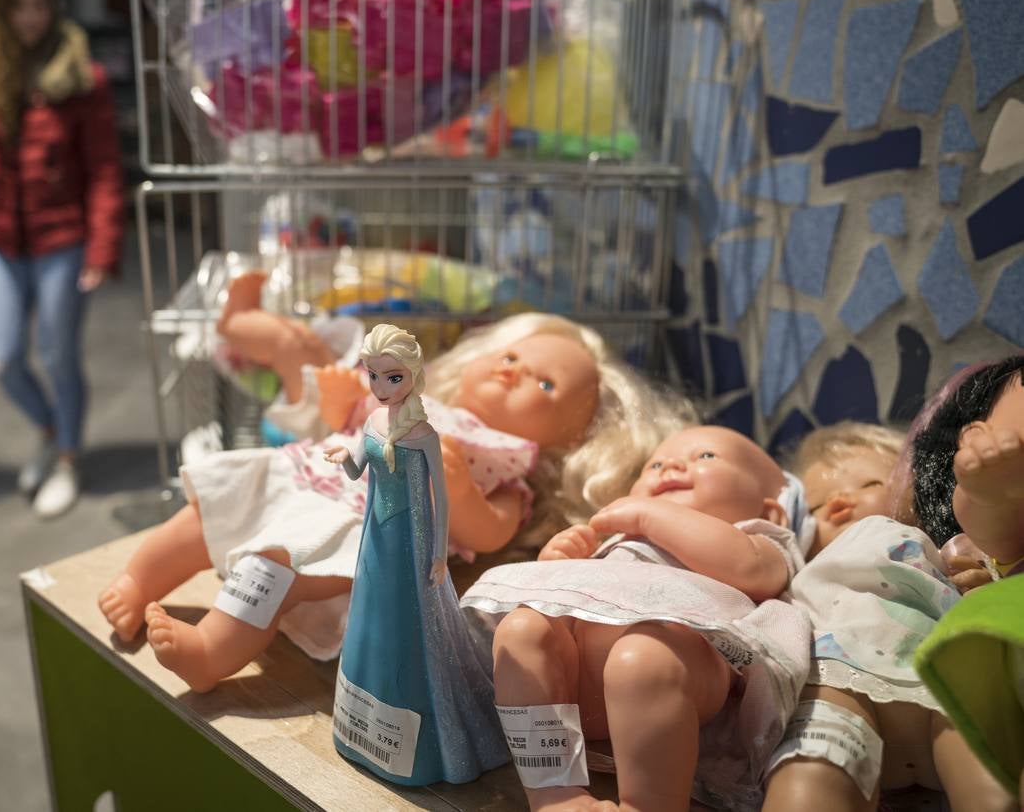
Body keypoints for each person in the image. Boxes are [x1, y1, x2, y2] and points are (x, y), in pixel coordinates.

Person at [99, 306, 696, 692]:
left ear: (569, 436)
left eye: (544, 383)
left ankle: (210, 652)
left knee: (274, 566)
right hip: (303, 474)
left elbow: (489, 534)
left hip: (355, 524)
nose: (515, 373)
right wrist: (337, 404)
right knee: (207, 508)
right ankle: (139, 580)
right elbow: (353, 428)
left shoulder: (506, 472)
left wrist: (460, 490)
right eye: (512, 357)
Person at [463, 426, 812, 811]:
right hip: (577, 682)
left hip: (679, 672)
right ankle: (554, 791)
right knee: (523, 630)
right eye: (655, 464)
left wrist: (651, 515)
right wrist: (558, 565)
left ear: (769, 509)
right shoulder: (619, 541)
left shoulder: (756, 538)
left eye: (706, 457)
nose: (672, 465)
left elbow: (748, 568)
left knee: (642, 659)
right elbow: (569, 595)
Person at [0, 0, 125, 518]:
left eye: (41, 4)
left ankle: (68, 457)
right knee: (1, 359)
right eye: (18, 6)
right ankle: (51, 430)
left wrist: (101, 246)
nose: (31, 18)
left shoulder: (80, 76)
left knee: (59, 355)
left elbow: (102, 167)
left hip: (61, 240)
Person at [762, 423, 1013, 812]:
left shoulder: (938, 547)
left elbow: (996, 588)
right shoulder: (792, 564)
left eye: (869, 484)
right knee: (811, 759)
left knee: (985, 750)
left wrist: (982, 579)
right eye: (815, 504)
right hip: (836, 676)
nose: (841, 501)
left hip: (939, 677)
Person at [321, 324, 509, 786]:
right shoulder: (371, 422)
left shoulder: (423, 433)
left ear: (413, 375)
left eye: (394, 378)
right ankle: (361, 725)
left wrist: (440, 554)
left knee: (413, 626)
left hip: (415, 540)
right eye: (374, 377)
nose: (382, 388)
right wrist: (340, 456)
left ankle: (422, 744)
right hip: (376, 539)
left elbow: (440, 499)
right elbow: (355, 472)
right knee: (372, 616)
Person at [908, 357, 1024, 803]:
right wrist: (986, 488)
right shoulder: (997, 511)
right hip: (999, 641)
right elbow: (991, 525)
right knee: (957, 714)